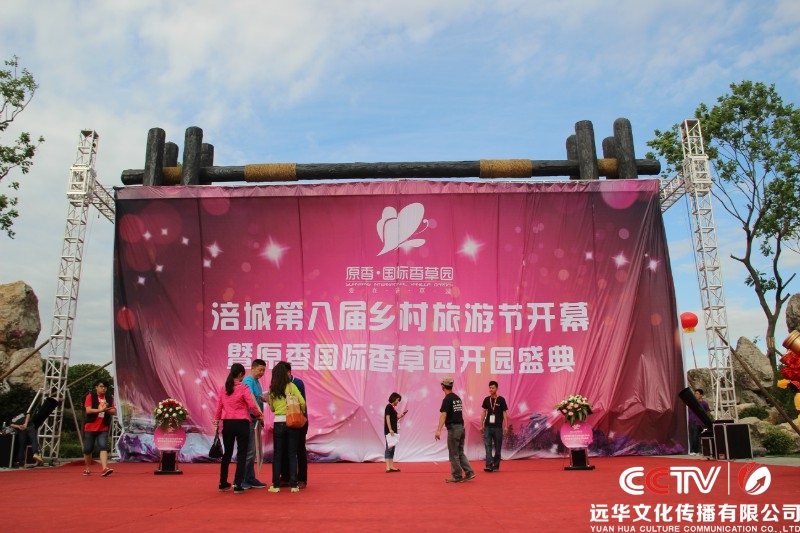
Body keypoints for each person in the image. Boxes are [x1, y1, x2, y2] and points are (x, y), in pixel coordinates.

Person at [214, 363, 264, 494]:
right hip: (242, 423)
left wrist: (216, 421)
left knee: (227, 454)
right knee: (242, 453)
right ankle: (237, 484)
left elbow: (219, 407)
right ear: (241, 374)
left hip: (228, 424)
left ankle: (222, 483)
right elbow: (251, 403)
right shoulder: (243, 387)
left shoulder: (223, 388)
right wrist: (258, 415)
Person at [267, 362, 305, 493]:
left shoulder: (272, 389)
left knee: (277, 454)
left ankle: (275, 485)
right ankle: (294, 485)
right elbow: (302, 402)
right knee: (292, 453)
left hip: (278, 422)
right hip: (291, 421)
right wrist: (298, 410)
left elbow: (272, 408)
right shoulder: (291, 386)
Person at [434, 377, 475, 483]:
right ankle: (469, 472)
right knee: (460, 452)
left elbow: (443, 415)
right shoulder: (457, 398)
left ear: (443, 387)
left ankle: (457, 476)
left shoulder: (447, 400)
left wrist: (438, 430)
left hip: (453, 429)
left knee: (453, 453)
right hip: (461, 427)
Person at [280, 362, 309, 488]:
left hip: (298, 420)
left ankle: (302, 479)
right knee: (285, 449)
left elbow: (301, 403)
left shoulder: (297, 383)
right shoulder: (279, 384)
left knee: (299, 449)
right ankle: (285, 477)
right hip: (285, 421)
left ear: (288, 372)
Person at [241, 359, 267, 489]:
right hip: (250, 418)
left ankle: (250, 477)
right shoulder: (248, 381)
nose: (262, 372)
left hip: (256, 419)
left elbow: (257, 397)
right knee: (249, 450)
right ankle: (243, 479)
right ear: (253, 368)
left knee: (253, 450)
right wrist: (258, 412)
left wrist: (264, 398)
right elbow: (250, 397)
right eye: (260, 370)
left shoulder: (257, 382)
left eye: (263, 370)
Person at [83, 379, 117, 476]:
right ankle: (87, 468)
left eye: (105, 387)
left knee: (103, 447)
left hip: (103, 427)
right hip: (90, 427)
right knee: (88, 449)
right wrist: (100, 410)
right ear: (96, 387)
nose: (103, 389)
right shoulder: (90, 396)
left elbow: (113, 411)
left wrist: (106, 410)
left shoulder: (109, 398)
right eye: (101, 386)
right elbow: (88, 410)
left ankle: (104, 468)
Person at [480, 380, 509, 472]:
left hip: (498, 427)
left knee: (497, 447)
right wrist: (481, 425)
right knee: (487, 445)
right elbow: (483, 412)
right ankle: (488, 465)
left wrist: (506, 426)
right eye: (490, 388)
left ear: (496, 388)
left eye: (492, 388)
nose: (491, 389)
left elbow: (504, 413)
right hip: (487, 426)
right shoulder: (486, 399)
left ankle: (496, 466)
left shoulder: (501, 400)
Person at [384, 392, 407, 472]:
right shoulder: (388, 407)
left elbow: (394, 418)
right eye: (397, 400)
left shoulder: (393, 408)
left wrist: (401, 416)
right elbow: (387, 418)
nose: (398, 402)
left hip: (394, 431)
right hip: (390, 431)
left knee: (392, 448)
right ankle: (388, 467)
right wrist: (390, 429)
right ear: (393, 399)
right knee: (389, 448)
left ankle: (391, 466)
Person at [688, 388, 711, 455]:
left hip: (698, 422)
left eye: (697, 393)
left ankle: (697, 451)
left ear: (701, 395)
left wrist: (705, 419)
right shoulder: (692, 402)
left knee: (696, 436)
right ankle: (693, 450)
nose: (695, 395)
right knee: (692, 436)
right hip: (691, 421)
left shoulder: (704, 403)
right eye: (695, 393)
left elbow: (708, 411)